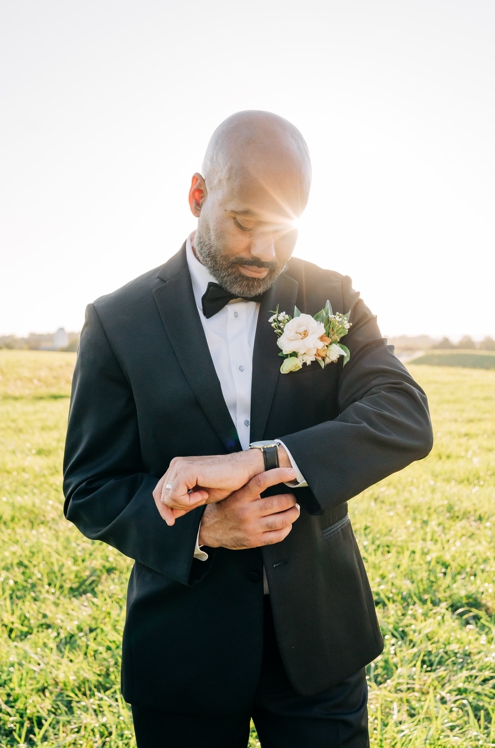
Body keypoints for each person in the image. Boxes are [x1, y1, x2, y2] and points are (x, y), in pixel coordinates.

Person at [62, 111, 433, 747]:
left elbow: (404, 413)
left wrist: (263, 461)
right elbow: (90, 487)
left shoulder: (330, 296)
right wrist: (200, 529)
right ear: (198, 196)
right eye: (244, 223)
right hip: (182, 652)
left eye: (283, 230)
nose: (265, 251)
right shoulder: (117, 321)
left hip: (320, 641)